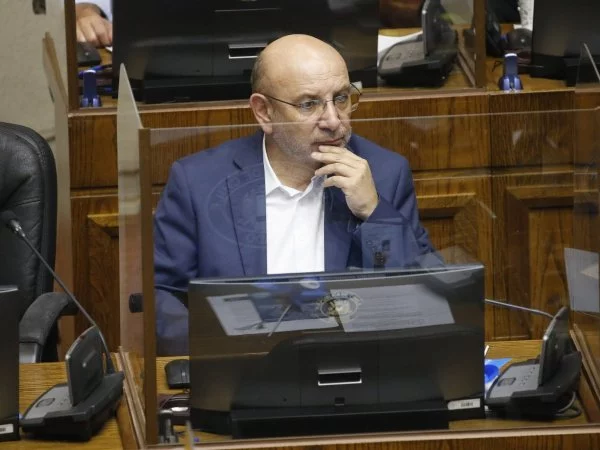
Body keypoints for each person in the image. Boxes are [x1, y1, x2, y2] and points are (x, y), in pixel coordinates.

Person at [153, 34, 440, 355]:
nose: (333, 121)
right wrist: (219, 354)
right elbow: (161, 294)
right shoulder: (199, 182)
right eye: (309, 104)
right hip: (241, 364)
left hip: (349, 364)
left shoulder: (385, 175)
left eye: (341, 98)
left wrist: (374, 213)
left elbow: (425, 296)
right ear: (264, 112)